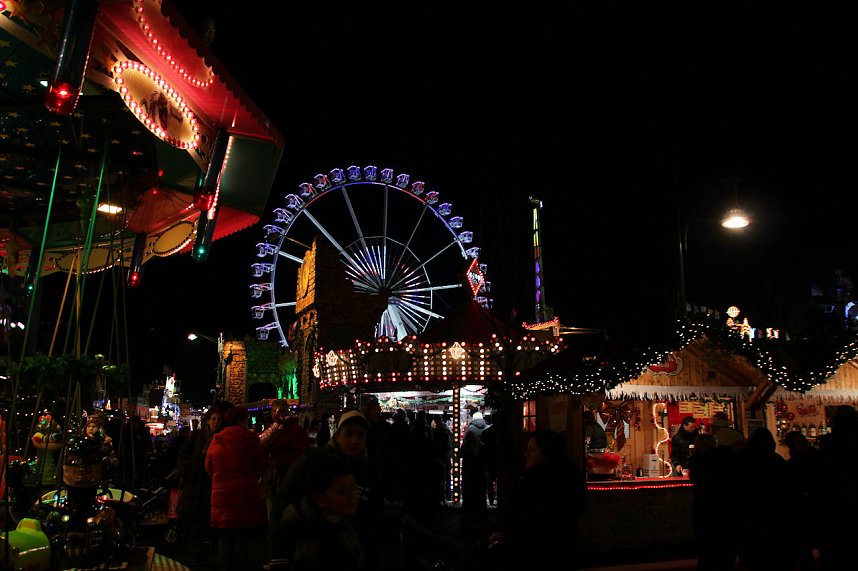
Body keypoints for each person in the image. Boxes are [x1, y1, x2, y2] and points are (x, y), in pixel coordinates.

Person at [270, 409, 383, 569]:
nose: (354, 440)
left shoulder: (369, 473)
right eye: (349, 434)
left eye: (360, 435)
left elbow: (375, 520)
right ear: (337, 435)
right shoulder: (312, 461)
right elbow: (283, 501)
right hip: (310, 551)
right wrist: (278, 556)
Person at [487, 430, 586, 570]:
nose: (525, 455)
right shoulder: (567, 476)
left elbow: (533, 523)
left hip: (541, 554)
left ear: (547, 453)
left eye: (532, 450)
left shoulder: (541, 483)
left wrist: (508, 536)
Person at [205, 403, 268, 571]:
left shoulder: (216, 441)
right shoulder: (252, 440)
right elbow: (261, 467)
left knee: (224, 541)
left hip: (222, 499)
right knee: (243, 541)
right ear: (241, 421)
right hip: (246, 498)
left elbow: (209, 468)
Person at [277, 455, 364, 570]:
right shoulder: (320, 546)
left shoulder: (337, 521)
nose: (352, 496)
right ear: (320, 499)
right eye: (342, 491)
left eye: (353, 487)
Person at [175, 404, 223, 566]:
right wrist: (184, 472)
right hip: (195, 483)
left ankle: (211, 555)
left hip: (212, 484)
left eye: (218, 419)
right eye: (213, 419)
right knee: (195, 521)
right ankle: (194, 555)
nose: (216, 422)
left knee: (211, 521)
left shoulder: (222, 438)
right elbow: (183, 454)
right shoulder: (197, 436)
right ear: (208, 420)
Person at [688, 433, 740, 570]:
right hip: (720, 504)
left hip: (702, 503)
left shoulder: (695, 460)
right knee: (720, 537)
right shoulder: (722, 459)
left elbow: (693, 479)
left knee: (704, 537)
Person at [458, 410, 489, 519]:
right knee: (481, 489)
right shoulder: (487, 428)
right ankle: (481, 510)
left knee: (469, 488)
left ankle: (469, 511)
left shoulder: (470, 429)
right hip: (481, 465)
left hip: (469, 466)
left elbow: (461, 451)